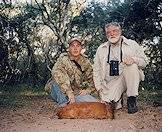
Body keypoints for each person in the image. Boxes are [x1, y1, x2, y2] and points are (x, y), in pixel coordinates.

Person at [93, 22, 148, 114]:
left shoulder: (132, 44)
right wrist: (99, 88)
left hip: (127, 77)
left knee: (132, 66)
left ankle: (131, 99)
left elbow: (145, 62)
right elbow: (96, 70)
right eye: (108, 32)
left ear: (120, 31)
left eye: (114, 31)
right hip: (111, 82)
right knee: (106, 103)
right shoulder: (101, 48)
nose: (112, 34)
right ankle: (118, 99)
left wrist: (134, 59)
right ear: (106, 35)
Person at [45, 37, 98, 107]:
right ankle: (63, 104)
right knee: (56, 84)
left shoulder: (85, 62)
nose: (75, 48)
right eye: (72, 46)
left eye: (78, 46)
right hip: (59, 89)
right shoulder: (62, 59)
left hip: (75, 92)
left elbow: (93, 79)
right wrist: (69, 92)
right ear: (68, 48)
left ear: (81, 48)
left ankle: (71, 103)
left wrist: (88, 90)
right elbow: (58, 74)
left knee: (94, 102)